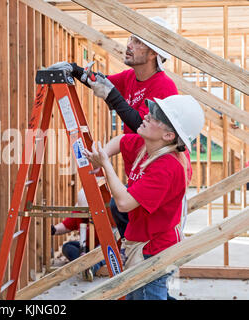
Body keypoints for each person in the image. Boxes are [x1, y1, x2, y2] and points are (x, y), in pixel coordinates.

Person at [48, 17, 183, 240]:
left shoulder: (164, 85)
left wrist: (112, 96)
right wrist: (74, 69)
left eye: (138, 42)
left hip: (158, 169)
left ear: (153, 55)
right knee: (124, 219)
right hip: (138, 166)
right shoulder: (131, 77)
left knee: (151, 236)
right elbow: (100, 81)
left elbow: (140, 124)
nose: (129, 45)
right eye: (131, 38)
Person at [82, 95, 205, 300]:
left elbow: (124, 203)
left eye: (156, 116)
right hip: (142, 244)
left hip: (155, 251)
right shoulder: (148, 146)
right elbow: (121, 141)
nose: (147, 115)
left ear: (168, 135)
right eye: (152, 111)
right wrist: (103, 155)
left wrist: (106, 164)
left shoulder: (168, 166)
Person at [51, 188, 106, 282]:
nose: (84, 213)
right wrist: (55, 229)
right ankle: (83, 264)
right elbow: (66, 225)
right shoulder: (79, 212)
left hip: (102, 247)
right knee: (67, 247)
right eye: (83, 211)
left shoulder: (105, 212)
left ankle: (91, 267)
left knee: (104, 251)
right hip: (86, 248)